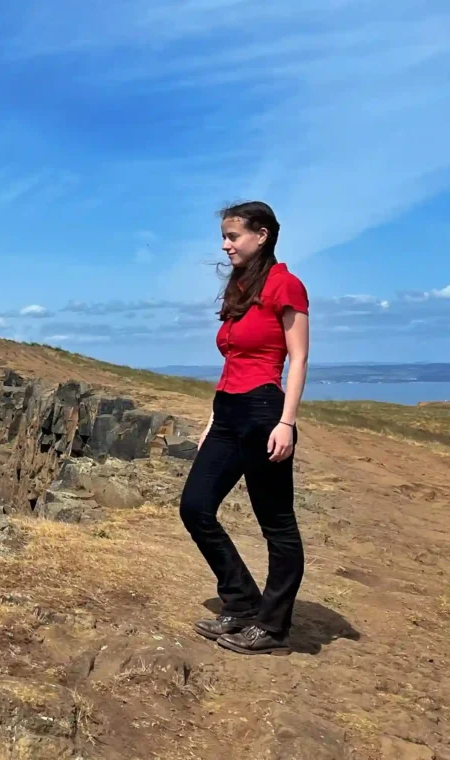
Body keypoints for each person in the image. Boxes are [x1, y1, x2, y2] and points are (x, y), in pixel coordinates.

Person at [180, 201, 309, 656]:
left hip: (263, 411)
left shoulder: (285, 285)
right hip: (228, 411)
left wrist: (286, 422)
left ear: (263, 235)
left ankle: (273, 627)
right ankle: (241, 601)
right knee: (194, 506)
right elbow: (233, 360)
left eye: (233, 236)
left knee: (276, 523)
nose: (225, 244)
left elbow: (298, 358)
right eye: (225, 235)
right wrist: (213, 419)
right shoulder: (239, 286)